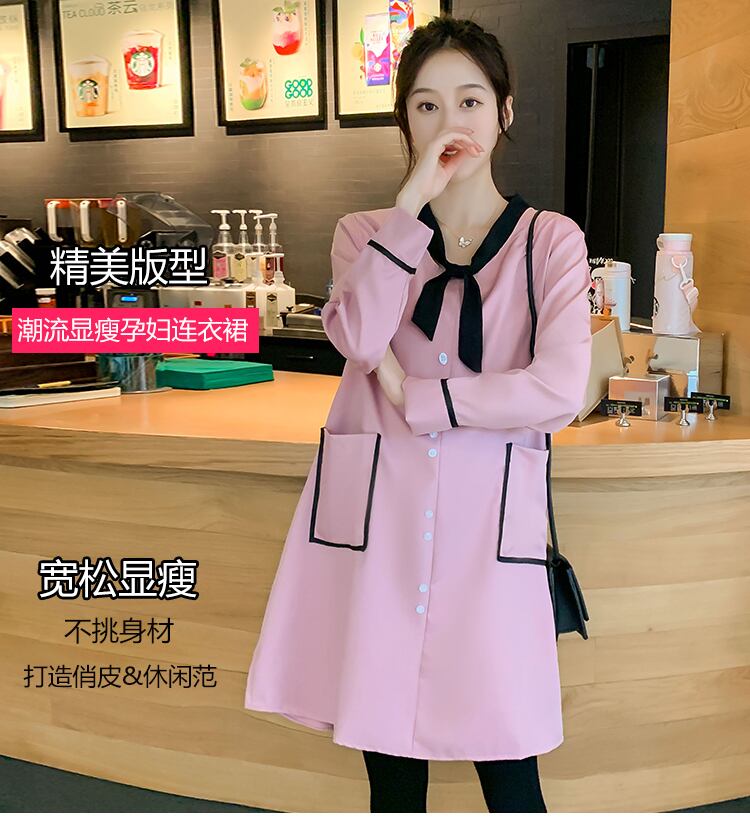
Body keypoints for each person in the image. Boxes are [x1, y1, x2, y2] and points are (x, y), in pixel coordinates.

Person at [244, 13, 593, 813]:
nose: (449, 122)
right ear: (404, 119)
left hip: (489, 527)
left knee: (511, 772)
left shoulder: (550, 243)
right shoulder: (364, 234)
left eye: (470, 100)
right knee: (392, 779)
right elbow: (360, 336)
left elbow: (558, 389)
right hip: (383, 524)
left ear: (504, 112)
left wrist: (420, 397)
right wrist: (411, 207)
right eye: (427, 105)